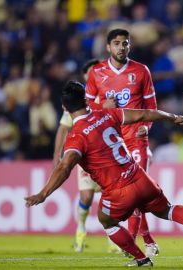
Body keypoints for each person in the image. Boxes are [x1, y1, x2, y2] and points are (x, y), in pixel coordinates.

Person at [25, 81, 183, 267]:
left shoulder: (75, 137)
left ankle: (141, 259)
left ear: (64, 107)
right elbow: (143, 114)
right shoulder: (106, 114)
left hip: (118, 192)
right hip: (140, 177)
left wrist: (43, 194)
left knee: (105, 219)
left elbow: (64, 168)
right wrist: (171, 117)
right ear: (87, 101)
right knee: (168, 210)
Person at [85, 28, 158, 258]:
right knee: (130, 195)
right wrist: (102, 107)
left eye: (125, 43)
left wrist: (147, 127)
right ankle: (148, 240)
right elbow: (86, 108)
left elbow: (151, 107)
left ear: (130, 46)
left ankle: (133, 248)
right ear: (108, 47)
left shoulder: (141, 71)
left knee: (135, 194)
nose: (121, 47)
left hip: (136, 139)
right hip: (112, 144)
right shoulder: (96, 73)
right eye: (116, 43)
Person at [52, 59, 120, 253]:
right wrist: (57, 155)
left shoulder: (112, 95)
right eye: (90, 73)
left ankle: (113, 240)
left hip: (108, 156)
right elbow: (63, 128)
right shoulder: (79, 101)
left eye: (97, 72)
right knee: (87, 196)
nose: (94, 75)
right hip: (87, 157)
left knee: (111, 198)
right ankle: (80, 230)